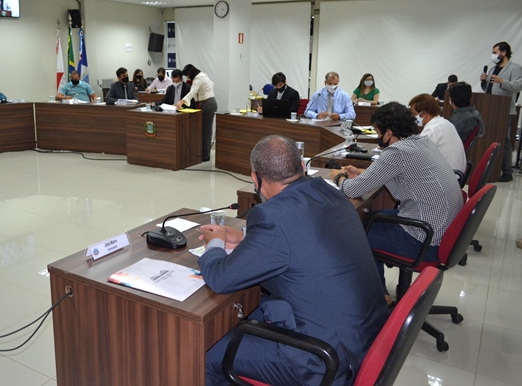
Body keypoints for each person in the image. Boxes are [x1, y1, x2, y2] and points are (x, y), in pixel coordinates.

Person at [200, 135, 389, 386]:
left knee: (207, 356)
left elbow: (220, 279)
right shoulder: (330, 193)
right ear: (301, 166)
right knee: (254, 310)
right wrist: (246, 237)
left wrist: (215, 242)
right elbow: (307, 235)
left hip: (325, 360)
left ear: (256, 178)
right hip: (365, 339)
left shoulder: (271, 216)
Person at [330, 102, 463, 303]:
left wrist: (338, 177)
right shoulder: (421, 142)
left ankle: (375, 296)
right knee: (371, 218)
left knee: (355, 234)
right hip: (441, 231)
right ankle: (380, 289)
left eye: (378, 132)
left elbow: (351, 190)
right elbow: (400, 172)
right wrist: (363, 173)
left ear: (389, 133)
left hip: (425, 239)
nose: (378, 137)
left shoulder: (397, 152)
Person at [480, 41, 522, 182]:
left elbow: (518, 86)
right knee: (488, 138)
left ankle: (507, 172)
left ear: (504, 53)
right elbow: (488, 89)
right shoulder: (493, 69)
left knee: (504, 140)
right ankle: (489, 169)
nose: (493, 55)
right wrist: (483, 81)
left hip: (504, 111)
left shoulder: (515, 68)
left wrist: (502, 81)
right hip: (490, 108)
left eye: (495, 52)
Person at [408, 93, 466, 173]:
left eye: (414, 114)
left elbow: (415, 159)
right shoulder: (445, 123)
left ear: (423, 113)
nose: (413, 117)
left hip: (445, 177)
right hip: (455, 174)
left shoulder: (432, 130)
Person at [176, 64, 217, 162]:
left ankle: (205, 155)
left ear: (190, 73)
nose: (187, 77)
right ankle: (204, 153)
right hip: (208, 103)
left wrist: (181, 102)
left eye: (187, 75)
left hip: (207, 104)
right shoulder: (204, 75)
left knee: (206, 131)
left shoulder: (198, 79)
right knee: (205, 130)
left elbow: (192, 92)